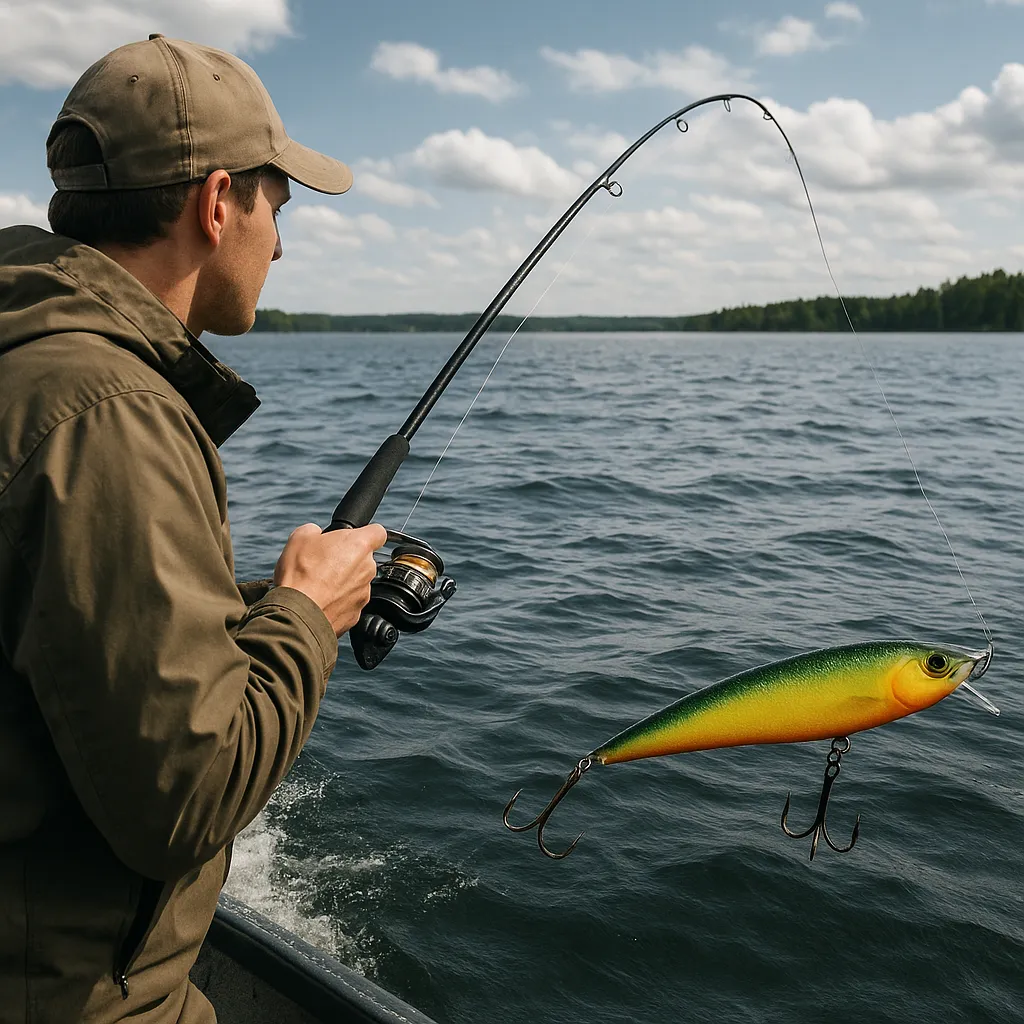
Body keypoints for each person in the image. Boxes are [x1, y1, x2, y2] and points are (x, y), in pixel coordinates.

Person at [0, 33, 387, 1024]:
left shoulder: (29, 367)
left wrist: (267, 601)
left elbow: (48, 628)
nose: (281, 242)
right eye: (277, 206)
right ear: (218, 204)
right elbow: (186, 795)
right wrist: (304, 615)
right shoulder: (107, 414)